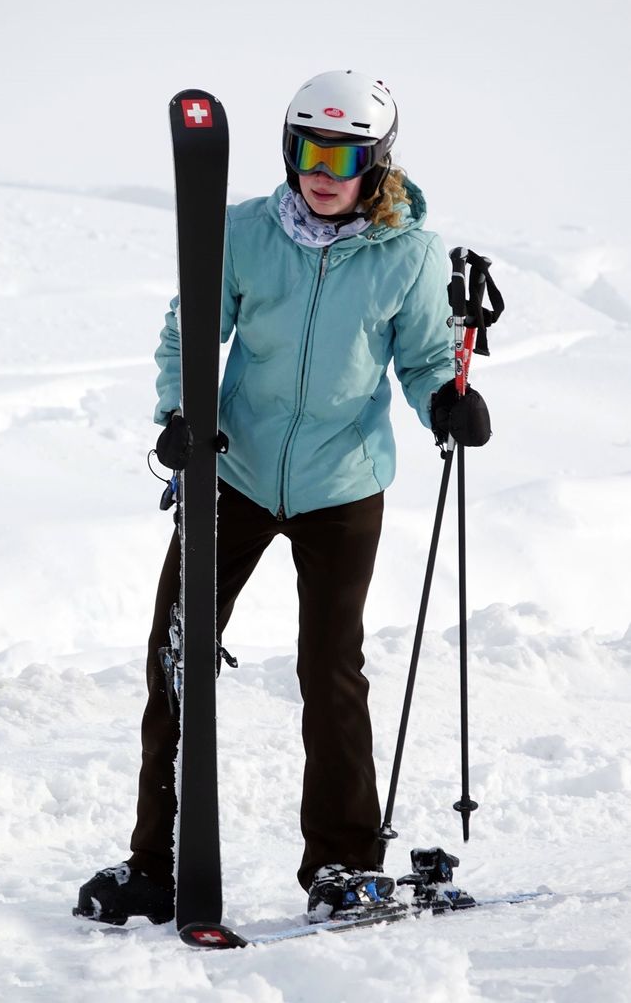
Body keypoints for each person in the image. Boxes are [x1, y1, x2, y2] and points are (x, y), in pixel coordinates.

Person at [74, 69, 490, 927]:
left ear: (374, 162)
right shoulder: (242, 235)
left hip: (343, 484)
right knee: (176, 655)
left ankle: (341, 862)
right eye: (307, 148)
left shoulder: (405, 253)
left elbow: (420, 356)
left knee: (329, 669)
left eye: (342, 153)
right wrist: (179, 416)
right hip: (233, 470)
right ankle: (159, 861)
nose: (321, 169)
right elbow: (186, 332)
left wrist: (444, 401)